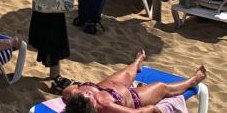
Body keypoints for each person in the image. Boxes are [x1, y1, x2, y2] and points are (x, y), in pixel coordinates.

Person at [62, 50, 207, 113]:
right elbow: (138, 112)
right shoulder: (107, 106)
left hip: (106, 86)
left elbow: (69, 92)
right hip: (129, 96)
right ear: (93, 107)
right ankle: (192, 81)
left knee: (126, 72)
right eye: (89, 96)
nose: (87, 92)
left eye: (84, 93)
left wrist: (84, 90)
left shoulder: (71, 95)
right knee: (161, 87)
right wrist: (155, 109)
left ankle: (137, 63)